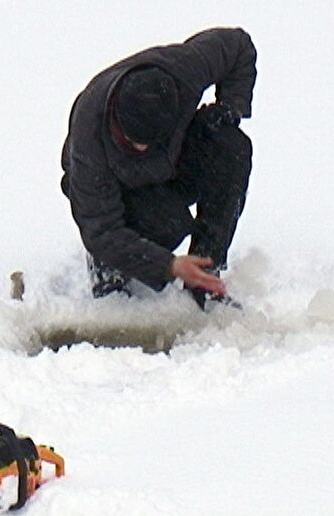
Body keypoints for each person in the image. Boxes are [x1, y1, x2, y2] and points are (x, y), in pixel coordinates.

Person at [60, 28, 257, 310]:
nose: (142, 149)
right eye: (133, 142)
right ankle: (109, 269)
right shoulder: (89, 133)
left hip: (172, 163)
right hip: (115, 189)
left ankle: (204, 274)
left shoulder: (184, 69)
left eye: (150, 142)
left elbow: (238, 45)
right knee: (168, 225)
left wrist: (229, 108)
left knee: (232, 147)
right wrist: (168, 265)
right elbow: (100, 229)